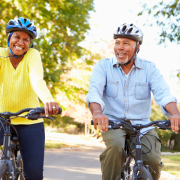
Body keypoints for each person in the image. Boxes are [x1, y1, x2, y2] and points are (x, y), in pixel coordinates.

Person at [86, 23, 180, 180]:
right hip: (113, 123)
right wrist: (97, 113)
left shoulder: (149, 69)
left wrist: (175, 114)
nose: (120, 47)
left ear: (137, 48)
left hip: (142, 125)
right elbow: (94, 92)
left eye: (126, 43)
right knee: (115, 147)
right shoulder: (103, 67)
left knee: (153, 161)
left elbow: (163, 94)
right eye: (117, 42)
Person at [0, 17, 60, 180]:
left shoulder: (33, 55)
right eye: (17, 37)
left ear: (30, 43)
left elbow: (36, 79)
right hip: (2, 119)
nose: (21, 42)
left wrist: (48, 100)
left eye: (26, 39)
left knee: (33, 174)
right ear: (8, 38)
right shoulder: (0, 55)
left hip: (30, 121)